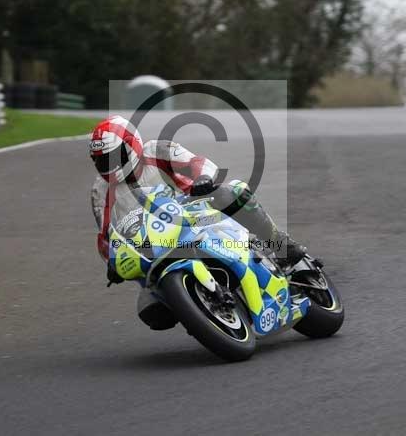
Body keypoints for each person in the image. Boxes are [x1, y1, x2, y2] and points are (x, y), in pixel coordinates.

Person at [89, 115, 308, 328]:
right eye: (102, 160)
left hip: (196, 210)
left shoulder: (157, 151)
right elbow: (107, 234)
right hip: (153, 244)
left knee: (234, 192)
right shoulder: (100, 192)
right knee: (152, 311)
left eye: (114, 157)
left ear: (132, 145)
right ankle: (200, 306)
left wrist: (203, 178)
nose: (109, 165)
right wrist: (111, 259)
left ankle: (280, 244)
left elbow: (196, 163)